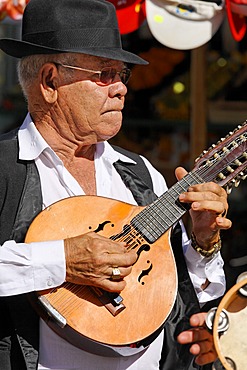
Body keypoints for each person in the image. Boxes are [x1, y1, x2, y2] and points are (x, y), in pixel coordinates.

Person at [0, 0, 231, 369]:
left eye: (121, 75)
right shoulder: (4, 169)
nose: (120, 89)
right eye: (104, 74)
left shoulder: (141, 173)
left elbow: (189, 294)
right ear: (49, 82)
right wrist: (61, 260)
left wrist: (202, 242)